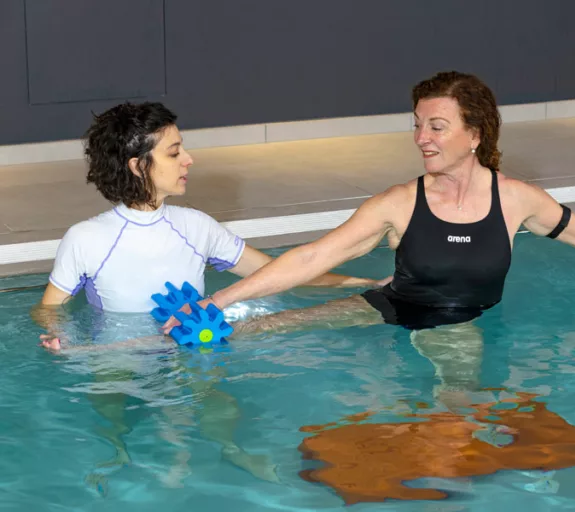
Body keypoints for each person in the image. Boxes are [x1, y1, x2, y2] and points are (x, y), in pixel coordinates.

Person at [163, 71, 575, 401]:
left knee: (456, 412)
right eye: (417, 124)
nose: (421, 138)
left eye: (437, 127)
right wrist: (218, 300)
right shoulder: (398, 203)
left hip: (457, 325)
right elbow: (312, 257)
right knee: (248, 333)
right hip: (385, 304)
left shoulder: (515, 200)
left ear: (475, 134)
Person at [31, 101, 387, 489]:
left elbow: (278, 273)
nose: (189, 159)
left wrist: (361, 283)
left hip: (190, 350)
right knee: (110, 398)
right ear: (138, 165)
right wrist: (59, 339)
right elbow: (49, 310)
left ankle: (228, 450)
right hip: (118, 355)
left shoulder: (196, 226)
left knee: (213, 402)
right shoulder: (87, 238)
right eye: (174, 151)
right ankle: (117, 451)